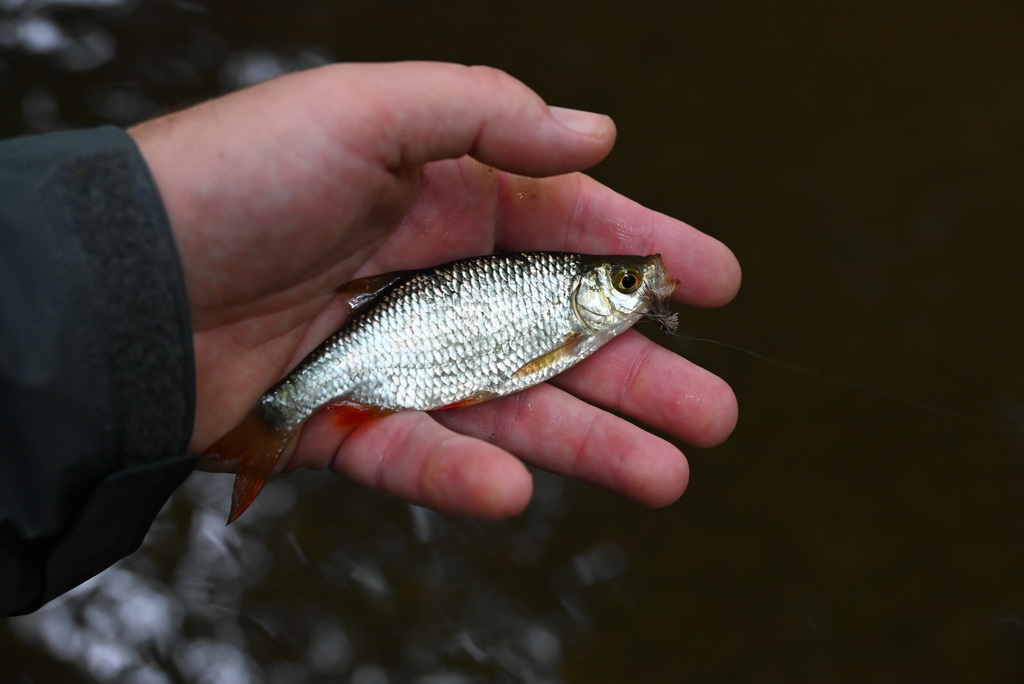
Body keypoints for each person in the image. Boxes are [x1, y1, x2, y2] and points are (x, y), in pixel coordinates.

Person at [0, 62, 740, 616]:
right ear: (591, 291)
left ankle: (255, 427)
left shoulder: (575, 317)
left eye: (627, 284)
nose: (637, 291)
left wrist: (126, 305)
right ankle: (270, 422)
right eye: (624, 283)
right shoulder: (570, 318)